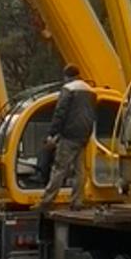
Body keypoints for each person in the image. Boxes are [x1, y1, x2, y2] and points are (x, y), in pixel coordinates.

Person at [37, 66, 97, 209]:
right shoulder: (90, 91)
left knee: (60, 167)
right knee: (79, 170)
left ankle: (47, 201)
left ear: (66, 76)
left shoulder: (69, 89)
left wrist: (52, 133)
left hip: (69, 134)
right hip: (84, 135)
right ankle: (77, 201)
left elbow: (60, 112)